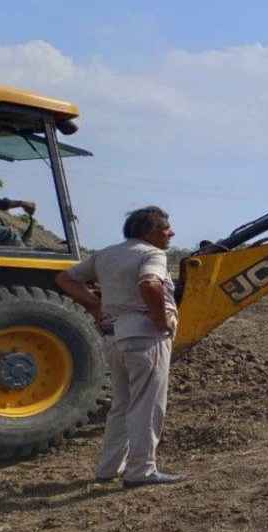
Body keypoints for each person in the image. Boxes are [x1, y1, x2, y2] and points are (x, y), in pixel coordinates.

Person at [53, 206, 185, 487]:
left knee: (122, 404)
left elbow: (64, 279)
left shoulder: (106, 254)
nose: (171, 233)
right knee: (147, 405)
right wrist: (162, 322)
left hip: (115, 338)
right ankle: (141, 471)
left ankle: (109, 468)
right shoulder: (152, 254)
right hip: (146, 339)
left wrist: (95, 305)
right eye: (166, 228)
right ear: (149, 232)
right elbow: (150, 284)